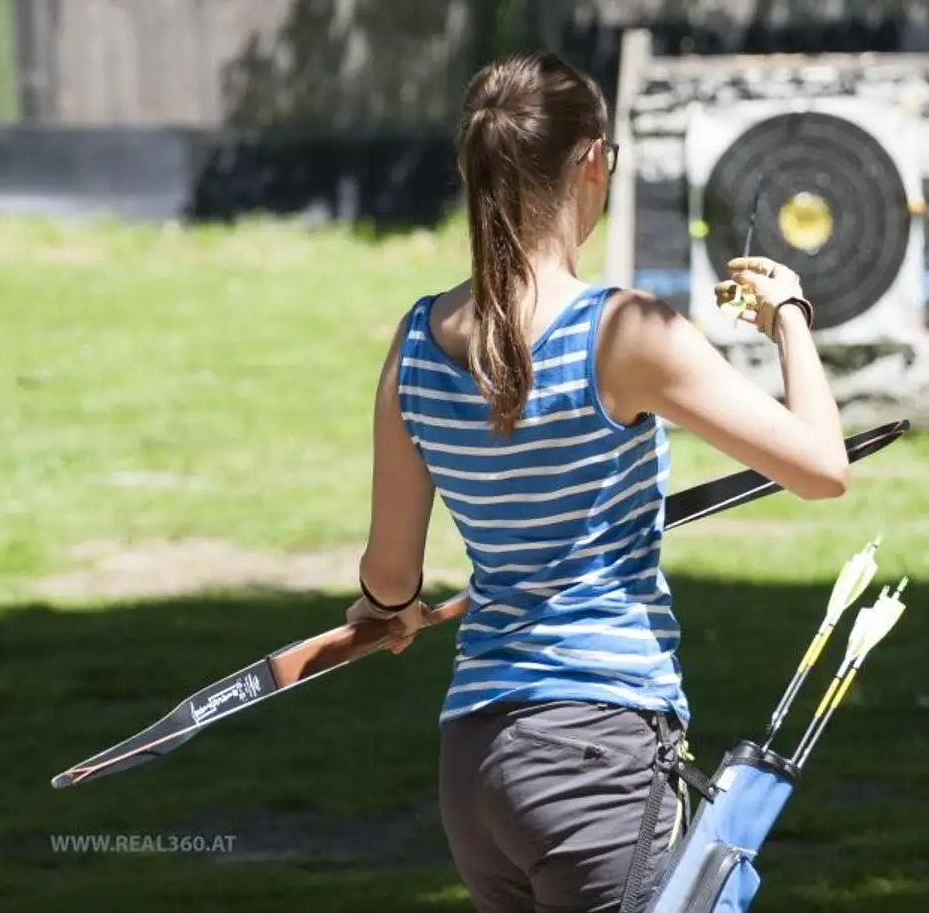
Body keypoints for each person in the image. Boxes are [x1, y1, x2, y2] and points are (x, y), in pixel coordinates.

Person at [342, 49, 850, 913]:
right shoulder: (624, 330)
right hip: (595, 754)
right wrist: (790, 317)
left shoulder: (418, 339)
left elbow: (392, 575)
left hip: (475, 765)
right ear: (588, 162)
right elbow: (821, 467)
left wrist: (382, 609)